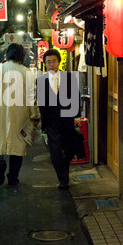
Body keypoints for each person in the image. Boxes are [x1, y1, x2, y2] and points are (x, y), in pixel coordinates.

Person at [0, 43, 40, 187]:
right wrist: (34, 115)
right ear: (22, 56)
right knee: (18, 144)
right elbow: (31, 97)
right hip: (21, 113)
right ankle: (13, 177)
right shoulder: (28, 72)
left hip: (1, 110)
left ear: (7, 54)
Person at [37, 48, 80, 190]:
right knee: (55, 151)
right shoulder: (42, 80)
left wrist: (77, 116)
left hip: (67, 119)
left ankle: (65, 169)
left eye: (53, 61)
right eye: (48, 62)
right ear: (45, 64)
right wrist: (43, 121)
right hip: (51, 121)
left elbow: (75, 96)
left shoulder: (69, 77)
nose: (51, 64)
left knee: (69, 149)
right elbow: (41, 103)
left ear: (58, 62)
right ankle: (63, 179)